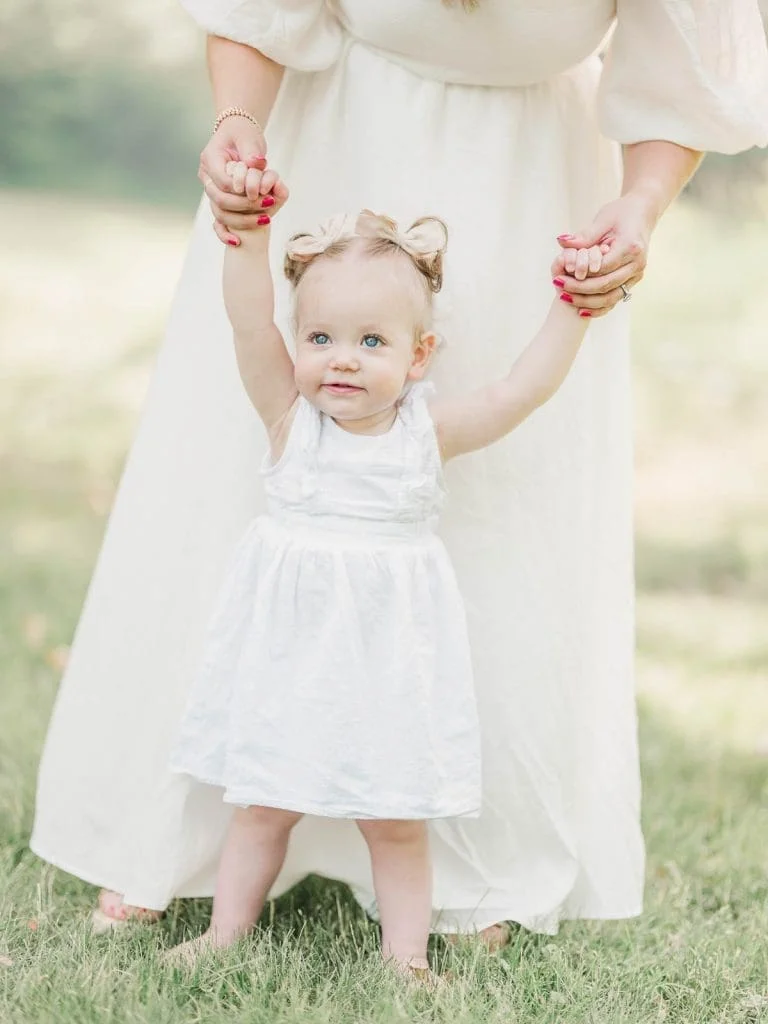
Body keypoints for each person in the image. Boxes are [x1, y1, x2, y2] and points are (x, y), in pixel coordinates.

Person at [31, 1, 768, 943]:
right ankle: (176, 833)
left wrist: (638, 206)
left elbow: (682, 55)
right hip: (335, 127)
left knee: (501, 508)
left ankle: (470, 858)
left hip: (527, 175)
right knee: (237, 470)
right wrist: (238, 133)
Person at [165, 157, 599, 978]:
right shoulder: (290, 422)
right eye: (321, 338)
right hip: (291, 656)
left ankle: (406, 958)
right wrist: (246, 237)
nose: (342, 360)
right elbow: (247, 323)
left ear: (420, 354)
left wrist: (571, 308)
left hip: (390, 662)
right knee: (263, 802)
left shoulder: (422, 439)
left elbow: (519, 393)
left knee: (396, 819)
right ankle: (224, 934)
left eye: (372, 343)